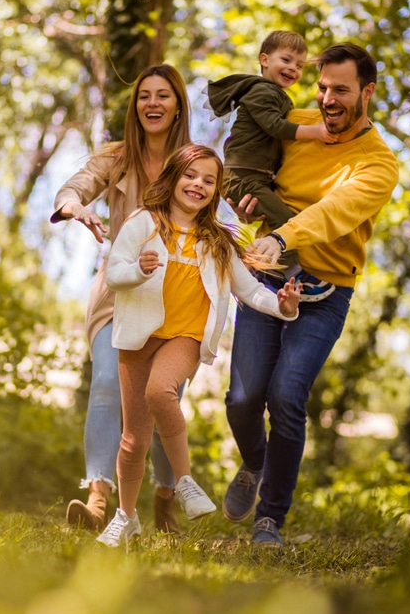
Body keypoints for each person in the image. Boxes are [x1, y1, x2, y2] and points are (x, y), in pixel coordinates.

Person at [221, 42, 400, 546]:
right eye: (322, 88)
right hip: (267, 275)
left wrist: (282, 235)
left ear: (367, 92)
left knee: (285, 396)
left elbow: (334, 211)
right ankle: (255, 463)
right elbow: (246, 159)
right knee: (242, 398)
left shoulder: (378, 164)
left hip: (326, 290)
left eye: (340, 90)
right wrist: (245, 197)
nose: (327, 99)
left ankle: (269, 519)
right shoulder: (296, 123)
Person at [96, 144, 301, 547]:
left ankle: (185, 481)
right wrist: (138, 270)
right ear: (173, 177)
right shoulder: (143, 223)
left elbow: (250, 290)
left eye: (209, 181)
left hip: (185, 338)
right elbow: (115, 273)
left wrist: (282, 306)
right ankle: (125, 516)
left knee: (161, 391)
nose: (198, 185)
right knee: (133, 439)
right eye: (191, 176)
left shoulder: (219, 242)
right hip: (139, 335)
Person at [51, 64, 192, 534]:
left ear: (177, 107)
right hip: (120, 291)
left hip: (177, 298)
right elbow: (74, 187)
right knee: (108, 383)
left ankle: (165, 498)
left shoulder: (194, 164)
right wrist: (74, 205)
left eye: (163, 96)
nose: (152, 103)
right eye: (144, 96)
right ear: (136, 107)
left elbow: (225, 214)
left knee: (162, 397)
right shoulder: (115, 157)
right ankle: (97, 502)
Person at [206, 30, 337, 299]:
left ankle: (263, 266)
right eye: (286, 60)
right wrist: (316, 131)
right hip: (242, 177)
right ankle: (296, 277)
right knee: (284, 221)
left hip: (252, 177)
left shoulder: (274, 93)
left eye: (299, 65)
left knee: (283, 215)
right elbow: (274, 126)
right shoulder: (262, 91)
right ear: (264, 59)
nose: (293, 69)